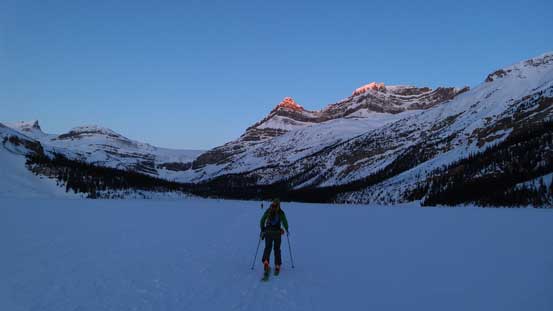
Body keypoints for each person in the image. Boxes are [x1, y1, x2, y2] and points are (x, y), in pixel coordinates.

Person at [260, 199, 289, 273]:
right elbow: (284, 221)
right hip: (277, 233)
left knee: (268, 247)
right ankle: (277, 265)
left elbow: (262, 220)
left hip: (268, 232)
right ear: (279, 204)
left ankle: (266, 262)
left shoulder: (268, 210)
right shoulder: (280, 212)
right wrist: (286, 229)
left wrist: (262, 229)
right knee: (277, 248)